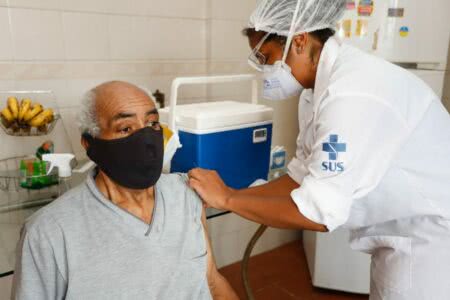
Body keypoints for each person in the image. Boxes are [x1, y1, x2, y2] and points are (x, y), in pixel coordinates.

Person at [188, 1, 450, 299]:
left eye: (266, 57)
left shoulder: (351, 93)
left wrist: (229, 198)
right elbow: (300, 177)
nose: (264, 70)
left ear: (299, 40)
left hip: (432, 234)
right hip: (398, 227)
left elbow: (318, 213)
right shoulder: (315, 91)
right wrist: (230, 196)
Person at [12, 81, 238, 300]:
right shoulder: (48, 232)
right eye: (125, 128)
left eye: (152, 124)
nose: (146, 137)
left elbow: (211, 281)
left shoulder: (186, 194)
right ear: (90, 144)